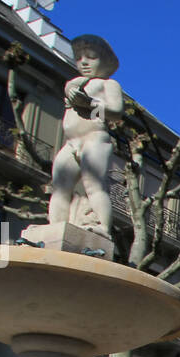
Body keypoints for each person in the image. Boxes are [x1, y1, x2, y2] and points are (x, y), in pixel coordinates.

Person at [47, 34, 124, 236]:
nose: (84, 62)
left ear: (105, 60)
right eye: (79, 57)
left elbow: (115, 112)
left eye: (91, 57)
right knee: (60, 187)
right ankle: (55, 227)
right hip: (71, 141)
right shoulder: (74, 83)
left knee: (94, 185)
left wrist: (89, 103)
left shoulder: (109, 84)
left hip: (95, 137)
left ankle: (104, 228)